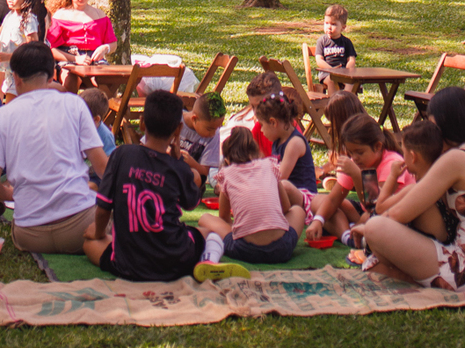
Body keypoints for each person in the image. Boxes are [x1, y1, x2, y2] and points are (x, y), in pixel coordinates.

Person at [355, 87, 465, 291]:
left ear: (447, 125)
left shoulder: (457, 158)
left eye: (433, 127)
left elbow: (399, 213)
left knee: (376, 228)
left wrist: (368, 232)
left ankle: (402, 275)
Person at [85, 88, 248, 283]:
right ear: (178, 130)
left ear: (143, 123)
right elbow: (190, 203)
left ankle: (118, 250)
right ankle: (209, 260)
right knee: (210, 233)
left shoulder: (121, 155)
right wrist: (179, 161)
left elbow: (103, 208)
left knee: (89, 242)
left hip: (129, 263)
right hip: (175, 260)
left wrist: (98, 234)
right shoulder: (178, 169)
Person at [0, 42, 108, 254]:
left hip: (29, 234)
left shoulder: (2, 116)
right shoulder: (74, 104)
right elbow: (104, 168)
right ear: (51, 78)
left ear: (16, 78)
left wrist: (14, 195)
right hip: (80, 226)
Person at [197, 126, 308, 265]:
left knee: (205, 218)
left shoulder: (227, 174)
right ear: (256, 151)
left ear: (226, 160)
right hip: (281, 249)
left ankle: (215, 248)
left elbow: (224, 218)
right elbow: (286, 208)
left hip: (244, 251)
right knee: (298, 210)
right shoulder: (269, 166)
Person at [306, 112, 402, 240]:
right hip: (365, 211)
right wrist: (318, 221)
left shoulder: (391, 163)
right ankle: (348, 234)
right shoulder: (356, 161)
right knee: (318, 202)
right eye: (351, 152)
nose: (354, 158)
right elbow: (334, 199)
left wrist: (357, 174)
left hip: (387, 216)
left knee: (367, 218)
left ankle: (351, 231)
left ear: (378, 146)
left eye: (360, 152)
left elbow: (375, 206)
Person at [376, 117, 446, 237]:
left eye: (404, 153)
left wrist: (393, 176)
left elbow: (380, 208)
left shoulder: (415, 189)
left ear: (413, 157)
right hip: (444, 243)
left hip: (428, 248)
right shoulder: (443, 183)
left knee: (374, 226)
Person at [45, 0, 117, 66]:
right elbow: (50, 48)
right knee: (71, 78)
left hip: (94, 59)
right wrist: (75, 59)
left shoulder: (100, 15)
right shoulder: (60, 16)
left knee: (102, 78)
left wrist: (105, 48)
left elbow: (113, 44)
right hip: (68, 58)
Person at [256, 91, 318, 201]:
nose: (261, 130)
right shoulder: (277, 141)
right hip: (286, 197)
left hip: (305, 198)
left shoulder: (294, 143)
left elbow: (279, 178)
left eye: (262, 125)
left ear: (273, 122)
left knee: (283, 185)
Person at [0, 0, 42, 97]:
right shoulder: (10, 16)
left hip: (23, 75)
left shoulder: (28, 20)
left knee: (11, 110)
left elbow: (33, 51)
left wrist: (10, 57)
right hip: (10, 75)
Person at [179, 91, 226, 181]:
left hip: (190, 177)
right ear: (194, 119)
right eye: (209, 129)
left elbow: (205, 171)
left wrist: (191, 162)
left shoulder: (213, 136)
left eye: (217, 128)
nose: (213, 133)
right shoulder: (175, 118)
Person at [314, 4, 356, 76]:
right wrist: (331, 70)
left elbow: (351, 60)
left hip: (343, 72)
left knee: (352, 83)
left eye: (333, 24)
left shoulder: (346, 42)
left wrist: (347, 71)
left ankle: (348, 87)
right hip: (326, 72)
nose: (329, 27)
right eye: (326, 23)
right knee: (331, 81)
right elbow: (319, 60)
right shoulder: (321, 41)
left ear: (343, 27)